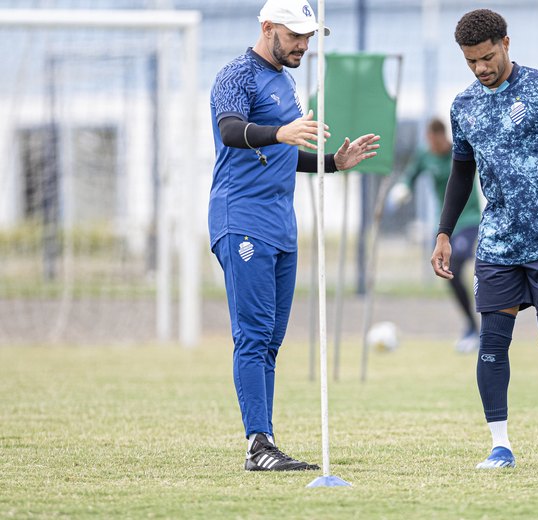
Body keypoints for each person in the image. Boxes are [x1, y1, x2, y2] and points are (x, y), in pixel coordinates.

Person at [209, 0, 380, 472]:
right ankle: (257, 445)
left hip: (282, 226)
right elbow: (230, 131)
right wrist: (280, 132)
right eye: (296, 35)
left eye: (309, 36)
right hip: (241, 220)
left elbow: (285, 150)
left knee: (271, 340)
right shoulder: (236, 75)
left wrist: (332, 163)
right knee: (253, 335)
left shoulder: (285, 80)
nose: (305, 45)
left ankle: (265, 441)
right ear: (268, 28)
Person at [430, 9, 538, 470]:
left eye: (486, 57)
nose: (480, 68)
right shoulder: (463, 106)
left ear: (505, 42)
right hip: (497, 245)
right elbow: (461, 174)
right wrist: (443, 232)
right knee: (491, 344)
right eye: (470, 62)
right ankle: (500, 445)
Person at [390, 118, 482, 353]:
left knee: (459, 262)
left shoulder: (459, 151)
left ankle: (483, 325)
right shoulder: (424, 155)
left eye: (436, 141)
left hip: (469, 219)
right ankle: (472, 326)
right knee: (450, 274)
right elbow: (410, 175)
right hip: (445, 225)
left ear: (443, 137)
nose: (433, 145)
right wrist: (402, 188)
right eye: (429, 141)